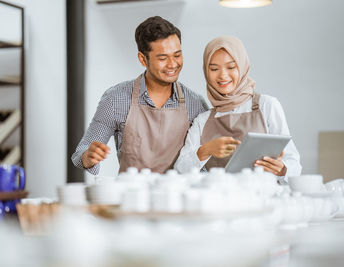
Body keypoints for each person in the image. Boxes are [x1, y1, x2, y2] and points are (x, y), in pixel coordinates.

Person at [71, 16, 207, 175]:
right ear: (143, 59)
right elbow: (80, 152)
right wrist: (88, 156)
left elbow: (204, 163)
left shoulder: (196, 103)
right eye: (163, 58)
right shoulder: (116, 99)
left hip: (179, 198)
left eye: (177, 55)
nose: (172, 64)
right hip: (132, 197)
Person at [174, 36, 302, 180]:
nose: (223, 75)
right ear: (206, 72)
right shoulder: (202, 120)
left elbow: (293, 162)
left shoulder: (266, 106)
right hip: (219, 200)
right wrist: (206, 150)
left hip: (263, 199)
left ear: (242, 66)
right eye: (214, 68)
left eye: (231, 67)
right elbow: (180, 169)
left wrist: (282, 169)